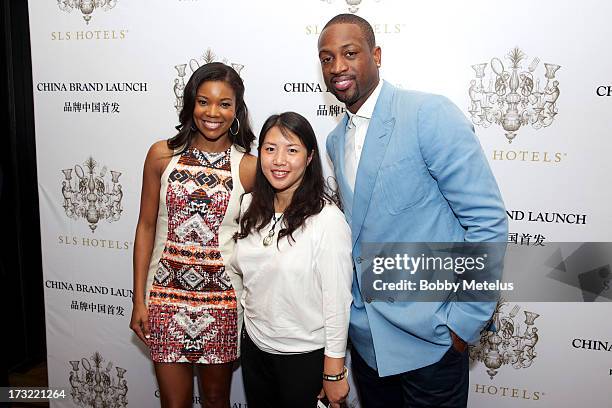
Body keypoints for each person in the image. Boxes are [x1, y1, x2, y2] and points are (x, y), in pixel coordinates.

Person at [318, 14, 508, 408]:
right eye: (326, 58)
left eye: (349, 53)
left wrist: (463, 322)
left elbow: (487, 223)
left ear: (377, 54)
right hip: (369, 347)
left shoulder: (427, 114)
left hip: (432, 343)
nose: (337, 67)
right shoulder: (335, 140)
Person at [130, 62, 257, 408]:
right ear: (190, 105)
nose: (213, 112)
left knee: (216, 400)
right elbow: (145, 227)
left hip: (222, 301)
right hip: (164, 296)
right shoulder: (162, 154)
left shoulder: (248, 167)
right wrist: (138, 299)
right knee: (174, 404)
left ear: (237, 110)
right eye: (204, 102)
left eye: (224, 103)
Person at [231, 112, 353, 408]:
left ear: (310, 157)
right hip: (256, 349)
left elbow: (337, 301)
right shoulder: (248, 205)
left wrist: (334, 370)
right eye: (270, 149)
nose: (279, 160)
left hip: (305, 359)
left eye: (292, 150)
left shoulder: (326, 220)